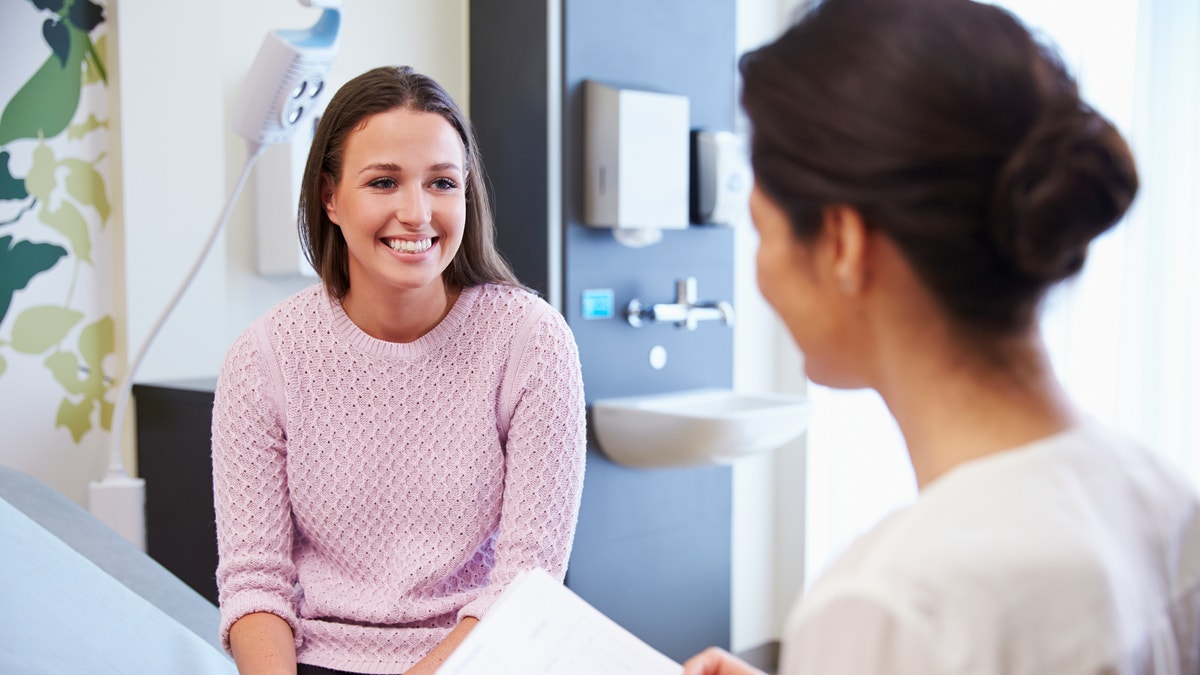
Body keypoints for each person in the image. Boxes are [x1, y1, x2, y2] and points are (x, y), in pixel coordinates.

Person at [683, 0, 1200, 673]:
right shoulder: (1159, 495)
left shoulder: (894, 602)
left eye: (762, 229)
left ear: (841, 242)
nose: (759, 273)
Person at [210, 66, 587, 675]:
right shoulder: (264, 358)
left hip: (483, 656)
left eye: (441, 182)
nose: (417, 213)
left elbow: (527, 583)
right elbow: (255, 584)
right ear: (330, 196)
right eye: (384, 181)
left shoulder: (531, 342)